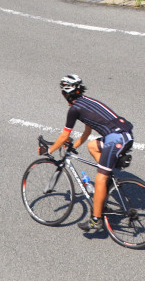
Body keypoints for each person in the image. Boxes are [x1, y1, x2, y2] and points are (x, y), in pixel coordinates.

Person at [42, 75, 133, 234]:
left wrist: (48, 151)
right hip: (125, 134)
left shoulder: (74, 109)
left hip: (116, 138)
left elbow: (64, 135)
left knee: (100, 178)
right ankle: (109, 176)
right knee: (93, 146)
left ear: (66, 93)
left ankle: (96, 220)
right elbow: (87, 131)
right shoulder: (86, 102)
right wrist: (73, 146)